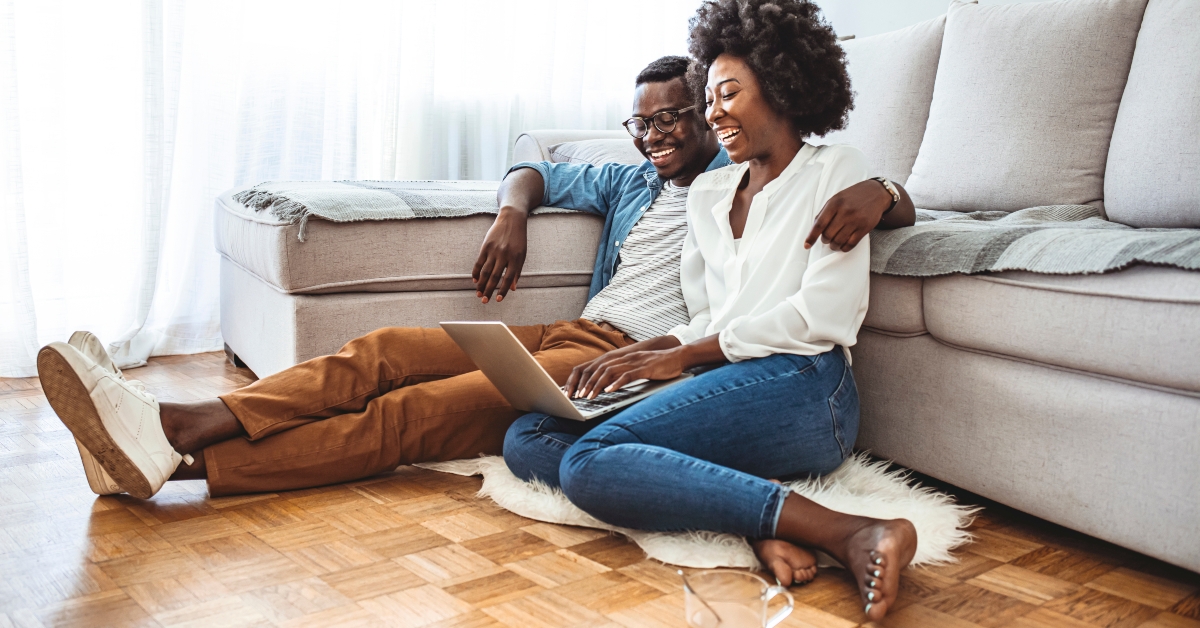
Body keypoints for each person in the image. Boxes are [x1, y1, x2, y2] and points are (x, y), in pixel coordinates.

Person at [36, 54, 914, 506]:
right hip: (575, 330)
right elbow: (531, 169)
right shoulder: (630, 181)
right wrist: (510, 214)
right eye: (641, 124)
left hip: (633, 357)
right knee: (381, 350)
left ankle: (180, 458)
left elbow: (843, 195)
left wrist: (885, 189)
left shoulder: (743, 174)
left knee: (415, 415)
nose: (656, 136)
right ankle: (179, 425)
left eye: (677, 116)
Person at [501, 1, 917, 622]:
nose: (713, 111)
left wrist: (683, 357)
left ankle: (855, 531)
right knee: (530, 435)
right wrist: (643, 353)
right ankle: (754, 513)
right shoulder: (710, 191)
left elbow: (823, 316)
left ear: (781, 86)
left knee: (587, 462)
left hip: (807, 384)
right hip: (724, 376)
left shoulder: (836, 170)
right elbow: (708, 315)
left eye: (728, 94)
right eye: (709, 98)